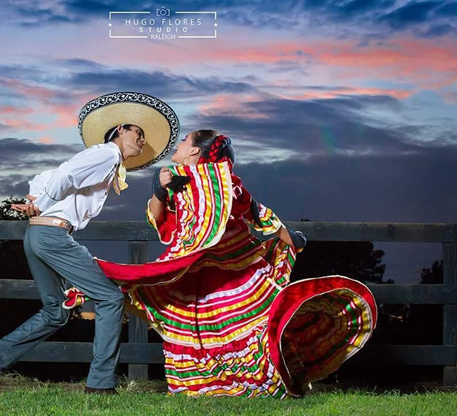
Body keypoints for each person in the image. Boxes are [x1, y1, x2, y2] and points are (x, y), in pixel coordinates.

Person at [88, 130, 377, 398]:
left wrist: (290, 236)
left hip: (232, 266)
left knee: (249, 321)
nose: (179, 145)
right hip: (193, 271)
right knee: (196, 328)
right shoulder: (175, 178)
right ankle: (203, 383)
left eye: (185, 140)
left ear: (195, 152)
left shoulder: (224, 185)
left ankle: (256, 379)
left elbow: (254, 211)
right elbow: (158, 217)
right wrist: (159, 191)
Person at [0, 92, 179, 394]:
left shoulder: (104, 160)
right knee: (110, 299)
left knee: (56, 311)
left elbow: (49, 174)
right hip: (53, 236)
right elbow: (66, 174)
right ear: (120, 129)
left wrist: (36, 198)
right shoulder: (106, 154)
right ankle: (101, 384)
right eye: (138, 132)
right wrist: (42, 201)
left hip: (37, 236)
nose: (142, 140)